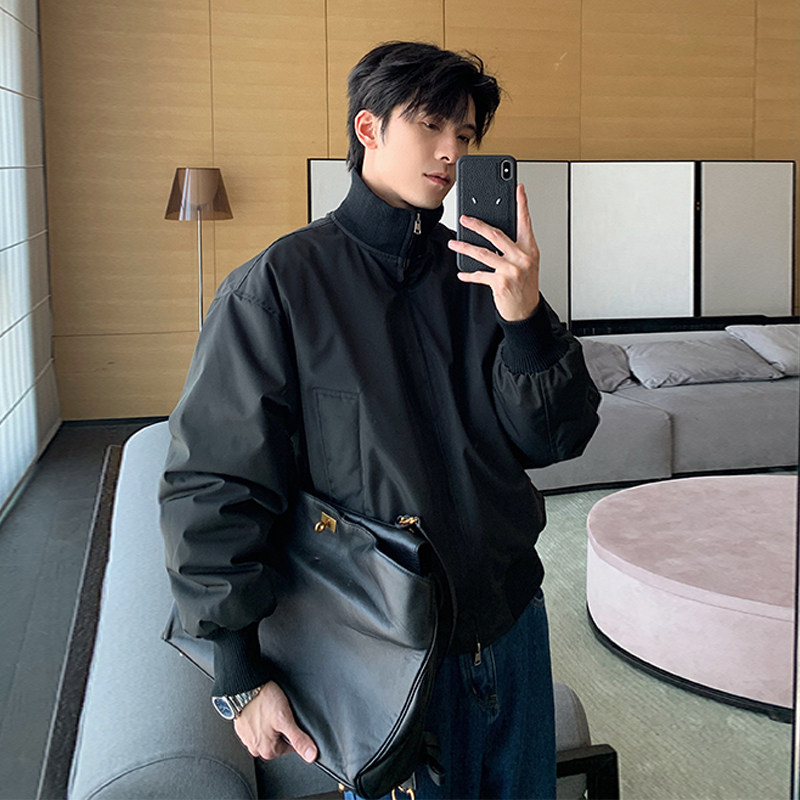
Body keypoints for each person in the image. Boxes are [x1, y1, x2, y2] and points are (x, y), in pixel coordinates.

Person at [160, 40, 600, 800]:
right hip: (383, 641)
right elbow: (215, 482)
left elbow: (557, 437)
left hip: (512, 620)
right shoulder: (279, 287)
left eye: (464, 135)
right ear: (368, 128)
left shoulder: (484, 274)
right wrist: (238, 671)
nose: (450, 152)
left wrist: (526, 319)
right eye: (431, 126)